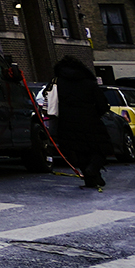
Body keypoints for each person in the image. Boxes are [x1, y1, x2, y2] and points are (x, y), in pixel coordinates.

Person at [47, 56, 109, 190]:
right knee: (100, 148)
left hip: (66, 121)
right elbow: (102, 105)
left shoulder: (58, 82)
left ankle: (90, 180)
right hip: (90, 120)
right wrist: (96, 113)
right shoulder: (89, 83)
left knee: (79, 151)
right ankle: (93, 169)